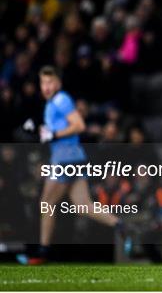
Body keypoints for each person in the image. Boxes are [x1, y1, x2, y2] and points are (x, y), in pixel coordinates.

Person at [16, 66, 129, 265]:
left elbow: (79, 125)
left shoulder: (61, 100)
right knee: (83, 205)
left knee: (47, 203)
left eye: (50, 82)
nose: (46, 86)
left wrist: (53, 135)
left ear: (58, 83)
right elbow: (58, 130)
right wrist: (42, 131)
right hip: (74, 157)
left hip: (65, 158)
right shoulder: (52, 104)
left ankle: (43, 252)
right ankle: (120, 224)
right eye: (43, 82)